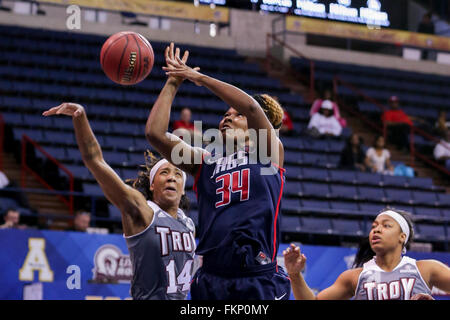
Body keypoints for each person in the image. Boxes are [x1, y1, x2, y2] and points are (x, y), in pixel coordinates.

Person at [145, 43, 290, 300]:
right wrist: (174, 82)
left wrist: (198, 77)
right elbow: (155, 134)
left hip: (256, 275)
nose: (227, 118)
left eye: (237, 115)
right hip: (211, 276)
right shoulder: (205, 161)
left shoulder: (269, 151)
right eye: (225, 114)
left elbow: (253, 107)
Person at [42, 102, 195, 300]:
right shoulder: (142, 210)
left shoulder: (189, 224)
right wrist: (81, 119)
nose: (172, 177)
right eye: (164, 172)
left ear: (183, 189)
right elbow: (95, 160)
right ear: (152, 185)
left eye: (177, 174)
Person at [284, 208, 450, 300]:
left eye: (386, 226)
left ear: (402, 237)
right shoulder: (354, 277)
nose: (377, 229)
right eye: (374, 226)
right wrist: (295, 273)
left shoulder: (427, 269)